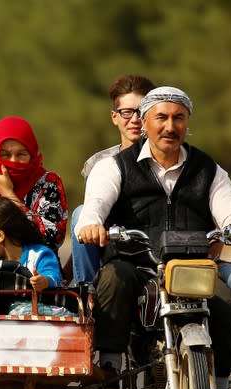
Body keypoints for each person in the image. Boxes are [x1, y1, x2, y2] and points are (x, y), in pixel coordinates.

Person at [75, 87, 231, 389]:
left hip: (191, 264)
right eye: (160, 117)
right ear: (144, 123)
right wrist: (91, 224)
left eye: (178, 118)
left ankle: (221, 387)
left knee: (228, 288)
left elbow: (230, 211)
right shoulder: (114, 167)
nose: (169, 126)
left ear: (187, 123)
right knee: (114, 277)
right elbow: (95, 207)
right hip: (136, 262)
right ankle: (111, 367)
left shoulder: (208, 169)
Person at [69, 74, 156, 284]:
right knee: (80, 213)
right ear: (114, 116)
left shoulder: (170, 158)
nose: (134, 120)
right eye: (127, 112)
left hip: (159, 244)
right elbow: (92, 212)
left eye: (141, 112)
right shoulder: (98, 163)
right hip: (114, 247)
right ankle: (87, 292)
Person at [0, 115, 68, 255]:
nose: (13, 161)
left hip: (36, 270)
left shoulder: (48, 183)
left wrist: (8, 195)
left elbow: (51, 240)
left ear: (32, 154)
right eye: (5, 154)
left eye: (21, 154)